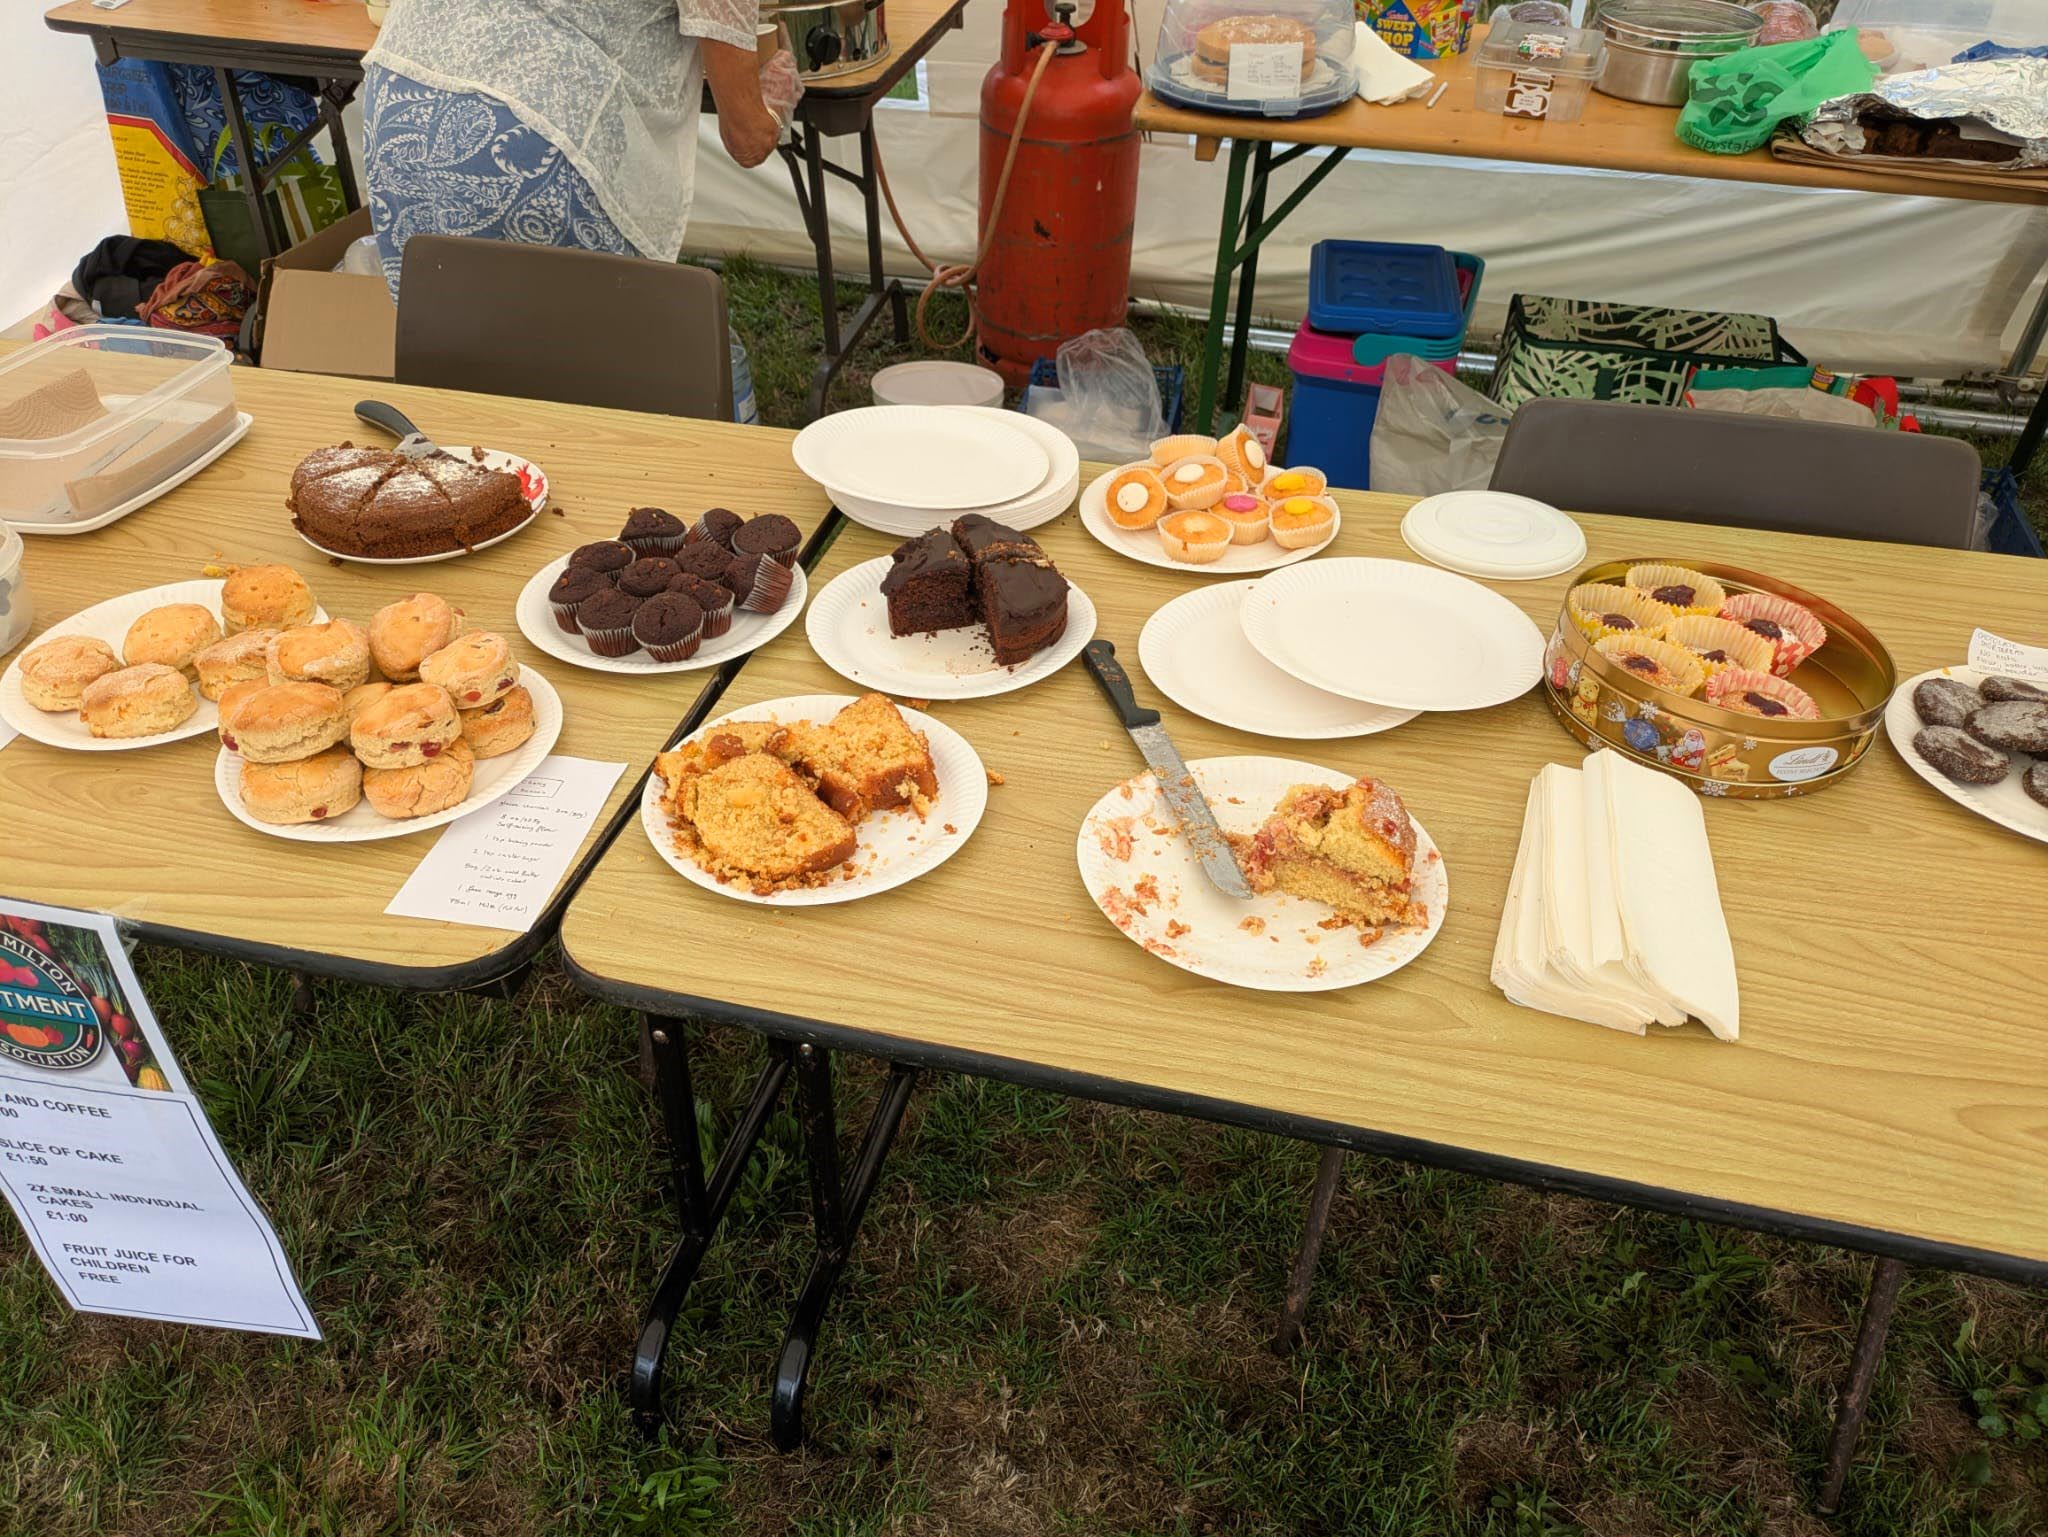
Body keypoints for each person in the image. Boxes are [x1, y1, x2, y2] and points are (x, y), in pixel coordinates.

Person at [360, 0, 802, 297]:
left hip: (401, 109)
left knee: (452, 367)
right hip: (536, 141)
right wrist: (774, 103)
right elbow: (746, 137)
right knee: (584, 384)